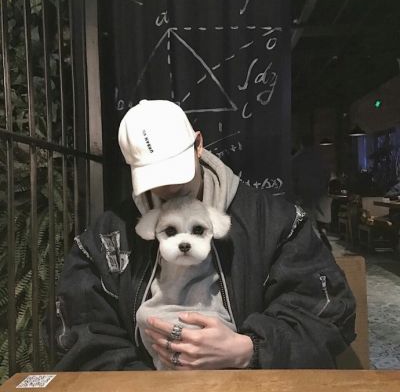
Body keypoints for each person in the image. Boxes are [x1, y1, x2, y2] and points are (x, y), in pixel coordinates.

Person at [45, 99, 356, 370]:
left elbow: (326, 312)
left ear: (198, 144)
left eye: (175, 170)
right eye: (154, 176)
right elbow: (81, 333)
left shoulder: (274, 221)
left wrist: (249, 349)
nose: (168, 186)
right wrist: (146, 382)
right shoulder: (108, 237)